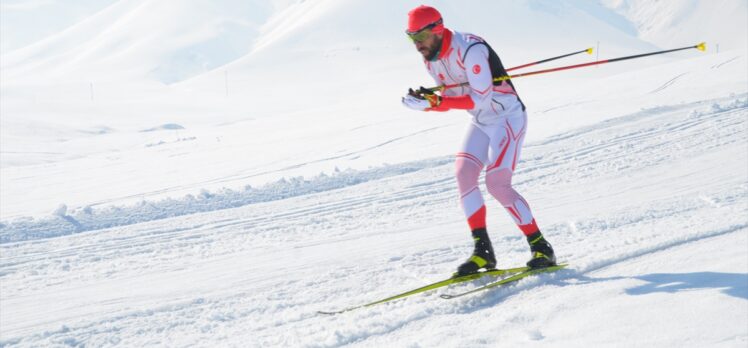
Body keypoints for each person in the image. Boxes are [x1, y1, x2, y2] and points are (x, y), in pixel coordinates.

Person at [401, 5, 556, 276]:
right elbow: (455, 96)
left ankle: (542, 248)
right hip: (481, 121)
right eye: (411, 37)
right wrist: (427, 101)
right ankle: (483, 253)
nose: (417, 44)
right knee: (463, 175)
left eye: (420, 36)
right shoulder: (429, 57)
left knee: (497, 183)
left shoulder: (470, 49)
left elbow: (480, 98)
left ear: (437, 29)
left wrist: (437, 102)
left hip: (507, 117)